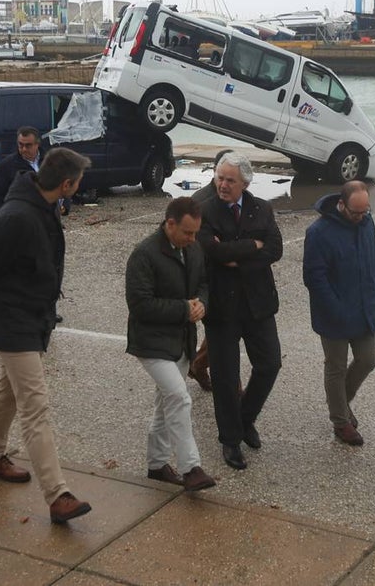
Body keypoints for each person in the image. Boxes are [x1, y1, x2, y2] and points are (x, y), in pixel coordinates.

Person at [0, 148, 94, 524]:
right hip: (12, 319)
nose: (80, 185)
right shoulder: (17, 215)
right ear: (67, 184)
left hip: (32, 315)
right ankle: (58, 495)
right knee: (35, 406)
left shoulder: (44, 204)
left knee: (9, 390)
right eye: (79, 181)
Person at [197, 153, 283, 471]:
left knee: (270, 364)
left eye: (229, 180)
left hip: (258, 304)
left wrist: (237, 254)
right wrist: (252, 245)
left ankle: (245, 419)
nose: (222, 184)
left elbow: (275, 249)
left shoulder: (263, 208)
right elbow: (212, 250)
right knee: (225, 376)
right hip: (221, 307)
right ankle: (230, 440)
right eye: (220, 177)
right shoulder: (204, 210)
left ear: (245, 183)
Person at [125, 197, 216, 492]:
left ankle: (156, 465)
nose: (193, 239)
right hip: (151, 344)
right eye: (188, 233)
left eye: (196, 233)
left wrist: (201, 303)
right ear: (170, 223)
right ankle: (191, 468)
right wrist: (183, 309)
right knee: (179, 397)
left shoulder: (193, 247)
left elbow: (203, 282)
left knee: (166, 405)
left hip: (181, 342)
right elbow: (140, 305)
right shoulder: (144, 255)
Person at [303, 181, 375, 446]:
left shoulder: (367, 223)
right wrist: (335, 308)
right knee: (336, 367)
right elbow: (314, 278)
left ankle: (338, 402)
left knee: (368, 359)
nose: (360, 217)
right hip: (333, 313)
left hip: (365, 308)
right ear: (341, 204)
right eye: (355, 212)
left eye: (365, 211)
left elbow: (374, 262)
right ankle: (340, 421)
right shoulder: (318, 232)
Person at [186, 147, 233, 392]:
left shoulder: (238, 196)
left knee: (224, 329)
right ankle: (228, 385)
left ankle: (199, 364)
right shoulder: (200, 202)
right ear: (216, 172)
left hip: (230, 275)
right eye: (224, 175)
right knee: (222, 331)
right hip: (207, 275)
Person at [0, 126, 43, 217]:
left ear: (37, 144)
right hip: (19, 218)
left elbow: (62, 182)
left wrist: (64, 205)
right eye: (21, 145)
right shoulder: (7, 165)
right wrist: (0, 220)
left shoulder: (50, 161)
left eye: (28, 145)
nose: (24, 149)